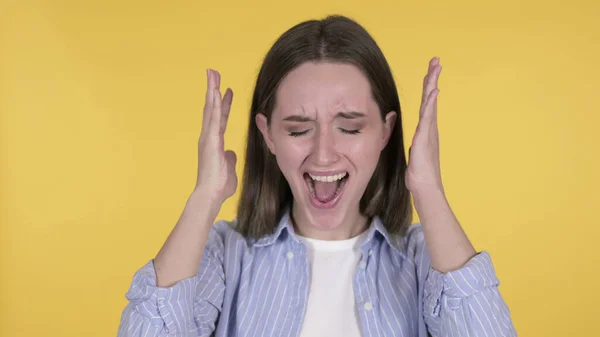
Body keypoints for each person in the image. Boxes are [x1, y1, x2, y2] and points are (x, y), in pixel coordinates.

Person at [117, 15, 516, 337]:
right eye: (297, 129)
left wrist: (429, 190)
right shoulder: (226, 258)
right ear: (268, 134)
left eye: (351, 127)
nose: (324, 154)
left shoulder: (423, 261)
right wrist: (204, 196)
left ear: (385, 132)